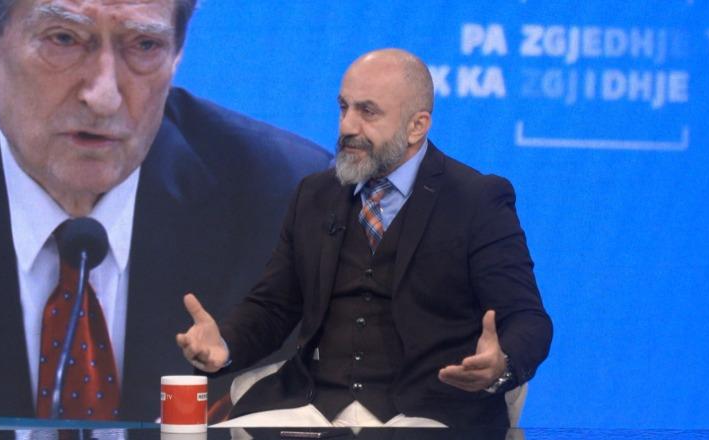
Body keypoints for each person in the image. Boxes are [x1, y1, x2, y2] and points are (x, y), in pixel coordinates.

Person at [0, 0, 330, 422]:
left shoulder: (288, 205)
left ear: (177, 53)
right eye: (63, 39)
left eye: (144, 45)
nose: (104, 98)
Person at [177, 48, 553, 427]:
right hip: (315, 406)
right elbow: (273, 306)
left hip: (428, 411)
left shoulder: (475, 199)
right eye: (344, 108)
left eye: (367, 112)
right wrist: (224, 344)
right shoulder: (314, 195)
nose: (347, 127)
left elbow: (527, 319)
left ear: (417, 126)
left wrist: (502, 363)